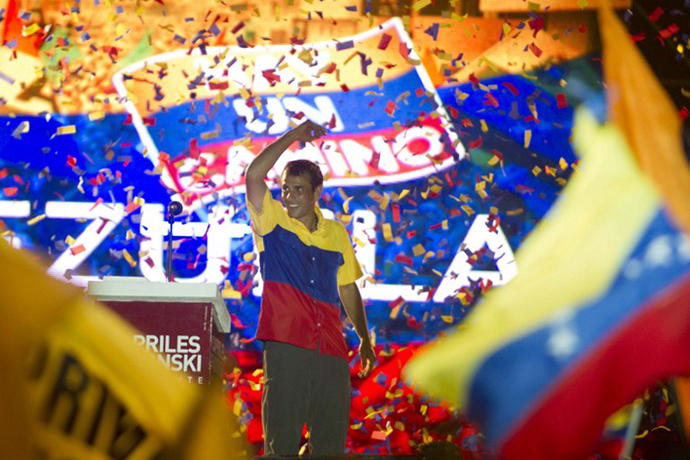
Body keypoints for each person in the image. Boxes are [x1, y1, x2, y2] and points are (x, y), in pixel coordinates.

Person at [244, 119, 376, 456]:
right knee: (283, 444)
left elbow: (347, 289)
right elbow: (254, 177)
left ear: (317, 193)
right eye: (286, 189)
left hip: (331, 349)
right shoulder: (272, 221)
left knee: (329, 446)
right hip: (286, 343)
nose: (288, 196)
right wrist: (293, 136)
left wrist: (363, 338)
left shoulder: (336, 233)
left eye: (298, 189)